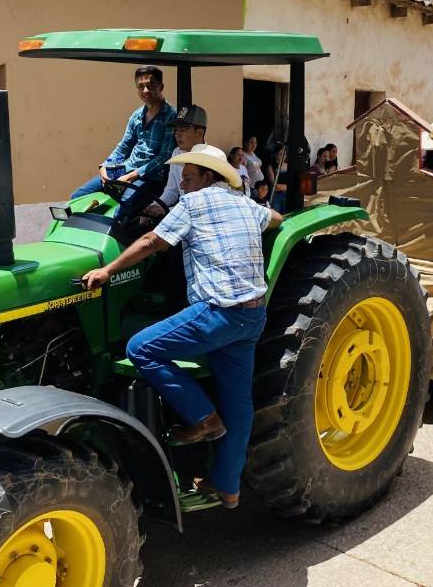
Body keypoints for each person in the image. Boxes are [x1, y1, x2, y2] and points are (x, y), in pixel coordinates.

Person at [80, 145, 282, 509]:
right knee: (240, 405)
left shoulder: (193, 204)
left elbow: (150, 241)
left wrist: (107, 271)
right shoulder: (245, 204)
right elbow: (278, 220)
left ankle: (203, 418)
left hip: (218, 313)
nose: (183, 185)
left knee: (140, 348)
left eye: (188, 178)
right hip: (252, 317)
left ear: (208, 177)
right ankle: (227, 487)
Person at [71, 66, 177, 205]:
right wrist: (105, 166)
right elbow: (123, 147)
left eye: (150, 86)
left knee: (123, 205)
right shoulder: (137, 115)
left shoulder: (171, 116)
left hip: (150, 177)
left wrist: (132, 176)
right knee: (78, 196)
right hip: (126, 169)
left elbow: (165, 157)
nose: (145, 90)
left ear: (161, 87)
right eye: (141, 86)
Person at [147, 105, 209, 217]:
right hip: (181, 213)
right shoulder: (177, 152)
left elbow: (201, 203)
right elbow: (172, 190)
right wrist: (155, 206)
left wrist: (167, 211)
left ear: (199, 133)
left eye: (183, 130)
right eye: (176, 130)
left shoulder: (210, 158)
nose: (177, 134)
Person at [263, 142, 288, 213]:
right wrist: (288, 187)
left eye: (285, 154)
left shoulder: (289, 166)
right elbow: (275, 185)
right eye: (280, 154)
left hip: (287, 196)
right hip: (276, 197)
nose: (283, 156)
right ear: (275, 155)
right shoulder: (271, 167)